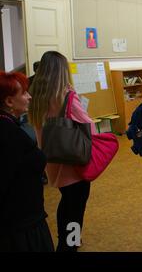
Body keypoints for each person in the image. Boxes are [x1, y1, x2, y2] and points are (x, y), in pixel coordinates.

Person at [29, 51, 95, 252]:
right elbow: (89, 125)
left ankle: (64, 240)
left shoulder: (35, 96)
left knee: (66, 202)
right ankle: (70, 245)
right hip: (72, 161)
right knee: (76, 208)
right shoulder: (66, 96)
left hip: (51, 161)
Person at [0, 71, 54, 252]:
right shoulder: (8, 134)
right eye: (23, 93)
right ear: (8, 102)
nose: (29, 96)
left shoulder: (11, 125)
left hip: (24, 219)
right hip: (21, 225)